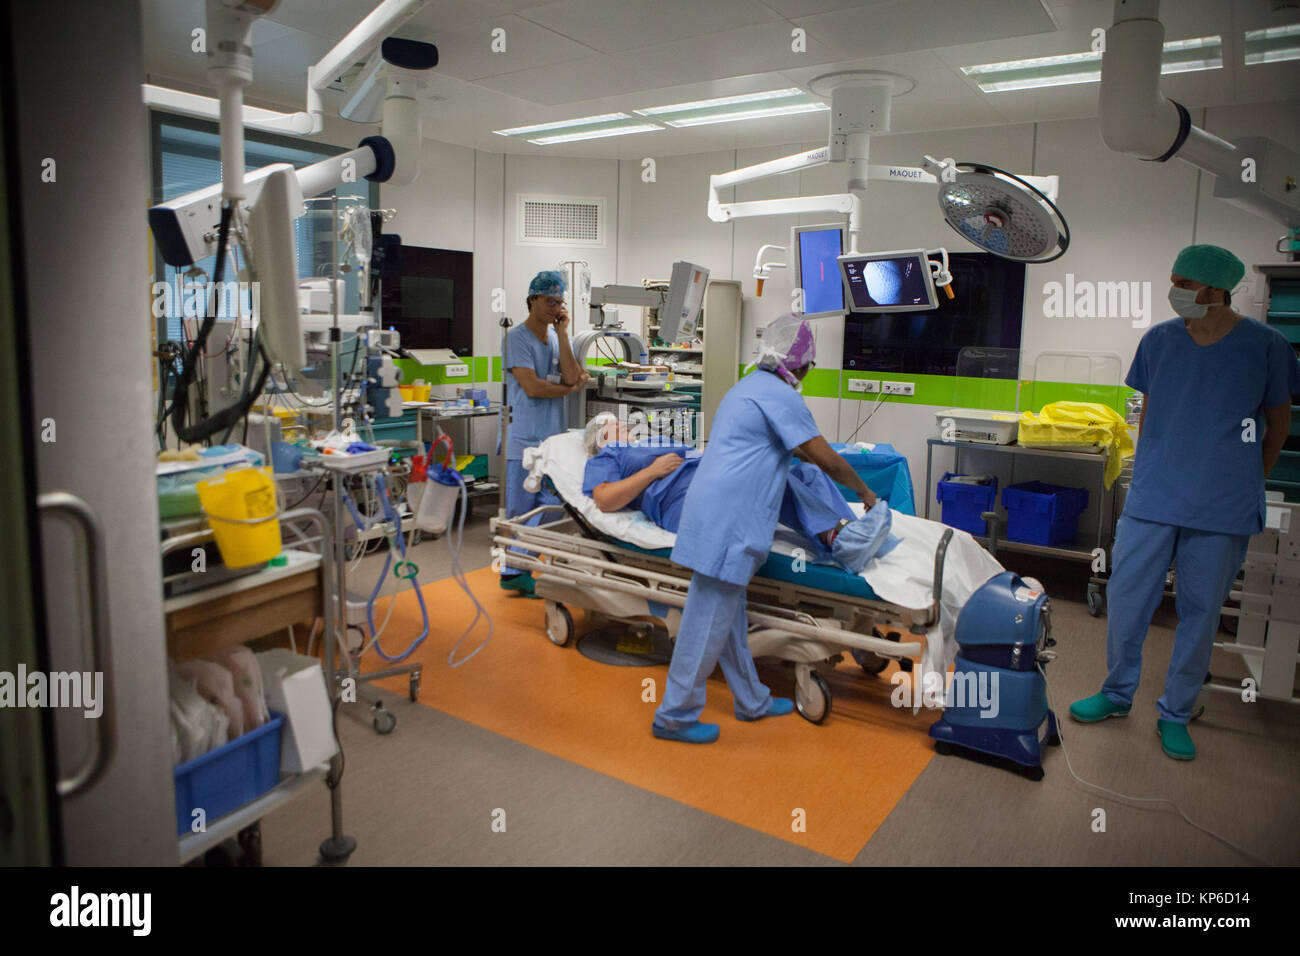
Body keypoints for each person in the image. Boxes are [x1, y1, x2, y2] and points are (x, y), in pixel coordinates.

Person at [1069, 244, 1297, 760]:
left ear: (1215, 289)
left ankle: (1176, 710)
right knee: (1127, 599)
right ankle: (1116, 692)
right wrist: (1148, 468)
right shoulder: (1160, 340)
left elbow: (1278, 424)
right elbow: (1152, 411)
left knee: (1200, 609)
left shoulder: (1266, 346)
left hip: (1222, 502)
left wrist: (1247, 479)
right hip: (1155, 495)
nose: (1175, 292)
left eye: (1184, 283)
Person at [650, 314, 879, 744]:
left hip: (714, 511)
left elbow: (794, 458)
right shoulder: (780, 396)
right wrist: (865, 493)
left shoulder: (747, 385)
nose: (810, 371)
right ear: (799, 364)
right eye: (810, 364)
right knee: (705, 624)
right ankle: (673, 717)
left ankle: (751, 699)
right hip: (728, 522)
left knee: (729, 617)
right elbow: (824, 458)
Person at [582, 413, 898, 568]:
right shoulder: (610, 456)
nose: (624, 429)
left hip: (711, 479)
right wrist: (651, 471)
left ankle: (850, 533)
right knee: (769, 477)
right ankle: (840, 539)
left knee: (807, 472)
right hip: (688, 501)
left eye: (624, 424)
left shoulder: (650, 443)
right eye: (615, 428)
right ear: (600, 441)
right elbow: (605, 499)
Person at [500, 270, 590, 594]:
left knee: (553, 506)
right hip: (522, 437)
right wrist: (570, 388)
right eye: (550, 301)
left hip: (550, 439)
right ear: (533, 299)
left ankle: (515, 566)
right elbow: (533, 387)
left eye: (560, 302)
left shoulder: (554, 338)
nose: (555, 307)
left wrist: (564, 335)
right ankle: (511, 569)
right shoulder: (516, 338)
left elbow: (570, 374)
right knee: (520, 511)